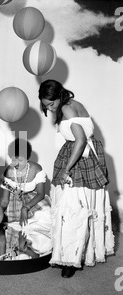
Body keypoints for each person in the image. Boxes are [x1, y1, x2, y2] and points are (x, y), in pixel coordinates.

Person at [38, 79, 115, 277]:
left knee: (72, 209)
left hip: (79, 158)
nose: (50, 108)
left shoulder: (68, 109)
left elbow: (79, 141)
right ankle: (78, 252)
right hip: (87, 155)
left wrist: (66, 169)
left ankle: (70, 260)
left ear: (59, 97)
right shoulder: (74, 103)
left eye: (51, 104)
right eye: (46, 105)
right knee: (83, 205)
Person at [0, 139, 52, 261]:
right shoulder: (9, 171)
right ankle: (23, 247)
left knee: (45, 216)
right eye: (13, 159)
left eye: (20, 160)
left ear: (27, 158)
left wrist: (26, 207)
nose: (16, 163)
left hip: (33, 200)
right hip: (14, 203)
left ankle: (41, 250)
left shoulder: (36, 169)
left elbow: (41, 194)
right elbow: (5, 200)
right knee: (11, 228)